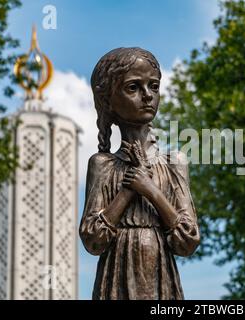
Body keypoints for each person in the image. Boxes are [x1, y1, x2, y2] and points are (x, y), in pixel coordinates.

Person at [79, 47, 200, 300]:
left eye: (153, 86)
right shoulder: (102, 165)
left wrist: (151, 189)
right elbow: (93, 241)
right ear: (109, 99)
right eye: (133, 87)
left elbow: (188, 241)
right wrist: (127, 191)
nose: (147, 95)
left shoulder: (173, 163)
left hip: (161, 281)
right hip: (115, 281)